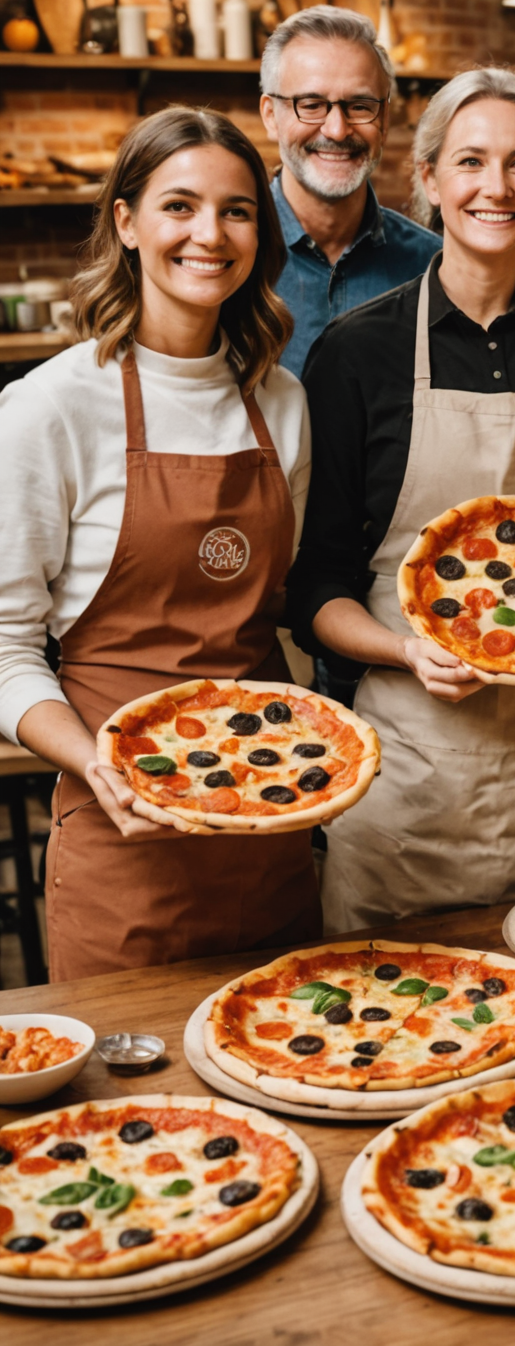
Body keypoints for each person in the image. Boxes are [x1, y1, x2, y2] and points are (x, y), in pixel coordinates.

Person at [287, 68, 515, 931]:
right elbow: (315, 591)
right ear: (429, 178)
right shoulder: (356, 353)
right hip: (406, 779)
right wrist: (406, 649)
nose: (497, 188)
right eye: (471, 162)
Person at [0, 108, 319, 980]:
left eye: (237, 210)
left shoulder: (281, 401)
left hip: (272, 820)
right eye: (179, 206)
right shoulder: (48, 409)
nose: (209, 235)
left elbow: (279, 613)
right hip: (123, 835)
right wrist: (97, 761)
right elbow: (4, 652)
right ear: (126, 223)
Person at [260, 6, 440, 377]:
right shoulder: (225, 254)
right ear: (270, 116)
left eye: (360, 106)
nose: (337, 130)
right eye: (310, 105)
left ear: (385, 119)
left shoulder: (436, 268)